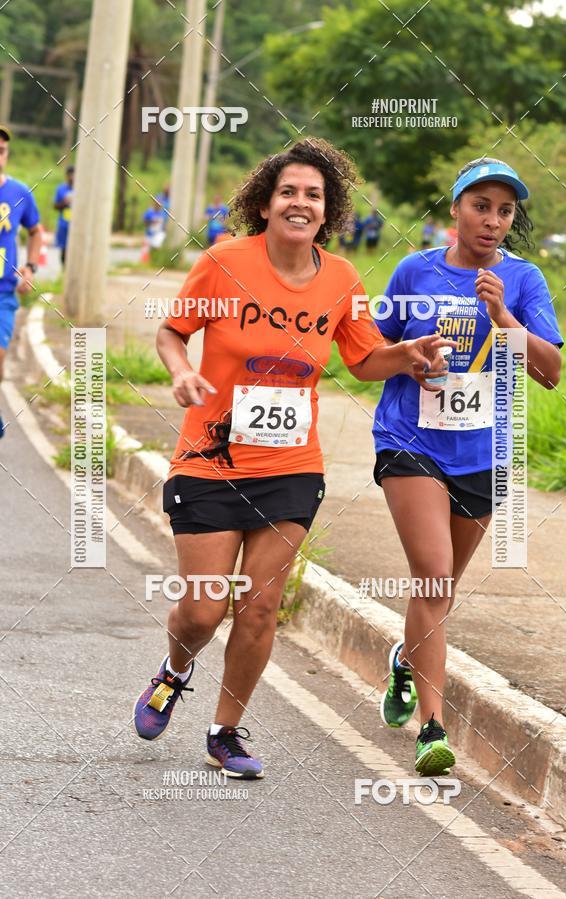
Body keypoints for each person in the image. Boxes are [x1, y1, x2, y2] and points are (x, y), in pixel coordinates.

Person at [133, 137, 453, 779]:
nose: (300, 203)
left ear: (328, 208)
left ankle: (225, 733)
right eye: (289, 192)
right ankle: (175, 668)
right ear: (266, 202)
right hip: (210, 457)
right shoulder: (224, 261)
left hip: (290, 468)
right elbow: (173, 330)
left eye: (314, 194)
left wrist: (409, 353)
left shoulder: (340, 279)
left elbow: (363, 359)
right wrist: (179, 372)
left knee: (257, 606)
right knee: (202, 610)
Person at [374, 157, 563, 776]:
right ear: (454, 209)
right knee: (430, 575)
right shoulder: (413, 270)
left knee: (440, 592)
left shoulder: (525, 280)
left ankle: (407, 657)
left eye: (505, 210)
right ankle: (434, 728)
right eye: (480, 205)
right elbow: (370, 358)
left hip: (483, 449)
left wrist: (504, 318)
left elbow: (549, 373)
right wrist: (410, 358)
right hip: (410, 440)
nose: (493, 220)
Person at [0, 125, 42, 438]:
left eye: (1, 151)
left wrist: (28, 267)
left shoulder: (19, 193)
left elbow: (36, 231)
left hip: (3, 294)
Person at [53, 164, 74, 266]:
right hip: (64, 224)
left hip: (77, 224)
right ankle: (64, 271)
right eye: (70, 175)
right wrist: (64, 203)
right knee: (64, 248)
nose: (72, 177)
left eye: (74, 175)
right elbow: (55, 206)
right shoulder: (61, 189)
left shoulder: (82, 189)